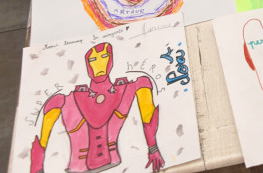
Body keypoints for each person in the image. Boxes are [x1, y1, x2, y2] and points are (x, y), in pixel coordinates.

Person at [29, 42, 164, 173]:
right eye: (92, 59)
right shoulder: (65, 100)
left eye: (104, 56)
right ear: (87, 64)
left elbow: (148, 114)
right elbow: (42, 139)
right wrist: (37, 167)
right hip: (78, 168)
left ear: (111, 60)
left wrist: (153, 148)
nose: (99, 64)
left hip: (115, 162)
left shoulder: (127, 88)